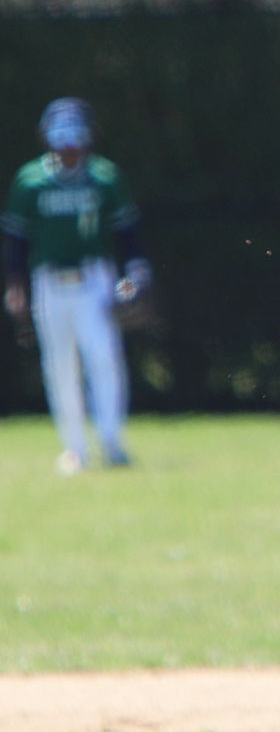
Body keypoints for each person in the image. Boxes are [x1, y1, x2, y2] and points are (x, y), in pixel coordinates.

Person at [2, 97, 152, 475]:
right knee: (59, 365)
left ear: (89, 138)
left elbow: (127, 233)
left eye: (76, 134)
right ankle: (75, 449)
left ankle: (112, 442)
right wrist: (14, 285)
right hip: (49, 281)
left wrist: (137, 273)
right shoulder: (30, 180)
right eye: (60, 134)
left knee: (103, 356)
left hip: (94, 277)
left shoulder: (105, 177)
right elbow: (17, 242)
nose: (69, 144)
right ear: (47, 138)